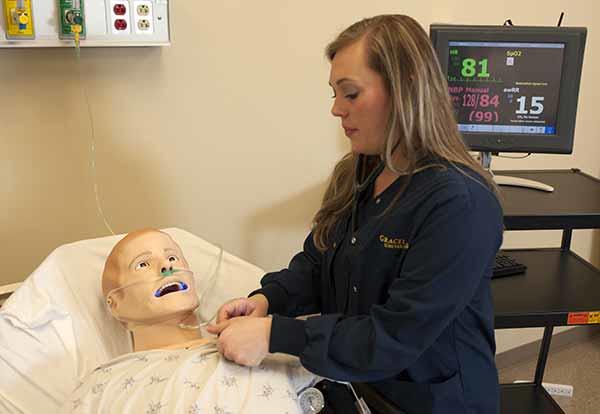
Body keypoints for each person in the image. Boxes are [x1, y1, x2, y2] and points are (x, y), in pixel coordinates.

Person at [207, 14, 504, 414]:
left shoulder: (461, 204)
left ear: (406, 90)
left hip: (430, 400)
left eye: (350, 94)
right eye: (333, 93)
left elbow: (393, 336)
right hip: (355, 382)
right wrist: (267, 300)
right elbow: (318, 261)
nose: (335, 109)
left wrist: (275, 334)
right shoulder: (359, 171)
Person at [62, 229, 315, 413]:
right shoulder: (103, 386)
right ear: (115, 303)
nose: (165, 267)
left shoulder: (267, 347)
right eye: (142, 264)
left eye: (172, 258)